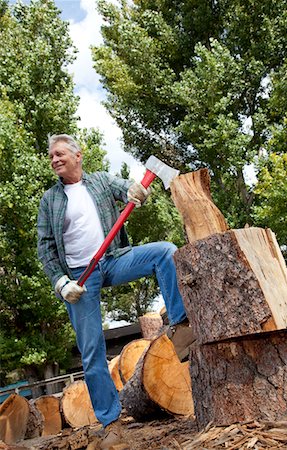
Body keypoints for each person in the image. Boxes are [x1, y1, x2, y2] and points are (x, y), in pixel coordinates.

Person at [37, 134, 194, 449]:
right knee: (92, 350)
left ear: (78, 156)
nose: (54, 159)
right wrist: (59, 282)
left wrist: (135, 190)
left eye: (59, 154)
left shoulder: (98, 181)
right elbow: (45, 247)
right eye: (51, 156)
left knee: (164, 252)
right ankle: (112, 426)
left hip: (113, 260)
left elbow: (123, 187)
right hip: (79, 277)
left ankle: (181, 327)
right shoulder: (50, 200)